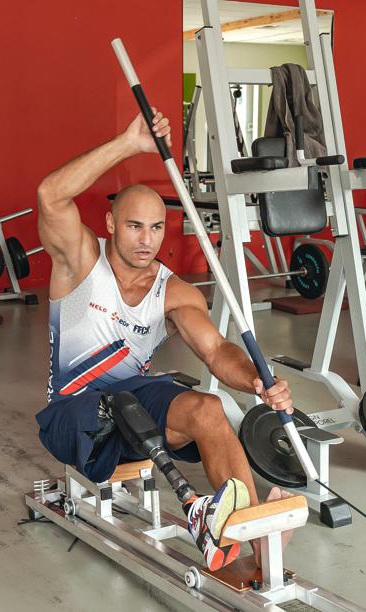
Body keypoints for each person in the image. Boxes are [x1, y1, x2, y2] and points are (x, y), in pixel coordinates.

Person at [35, 109, 295, 571]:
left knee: (208, 409)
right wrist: (129, 143)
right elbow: (50, 194)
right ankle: (202, 510)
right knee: (114, 404)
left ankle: (254, 542)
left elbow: (216, 350)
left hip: (131, 415)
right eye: (135, 226)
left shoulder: (173, 291)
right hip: (72, 414)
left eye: (156, 228)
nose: (146, 240)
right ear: (112, 223)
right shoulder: (80, 262)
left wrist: (257, 381)